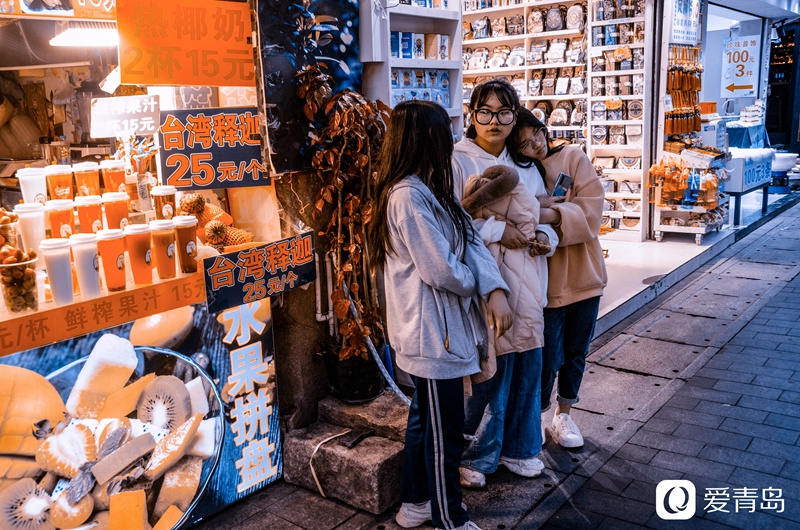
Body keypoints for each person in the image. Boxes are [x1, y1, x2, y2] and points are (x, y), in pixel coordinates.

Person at [368, 100, 513, 530]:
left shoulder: (431, 186)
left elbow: (467, 236)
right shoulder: (408, 196)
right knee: (443, 431)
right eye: (443, 133)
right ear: (424, 139)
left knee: (425, 423)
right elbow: (441, 269)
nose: (451, 140)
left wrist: (492, 286)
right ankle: (451, 517)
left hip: (441, 330)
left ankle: (414, 503)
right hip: (432, 334)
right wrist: (476, 283)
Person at [452, 78, 557, 489]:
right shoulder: (458, 160)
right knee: (489, 368)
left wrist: (548, 238)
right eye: (485, 112)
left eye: (504, 113)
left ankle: (521, 446)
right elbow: (453, 223)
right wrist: (498, 230)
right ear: (472, 115)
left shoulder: (527, 165)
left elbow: (543, 216)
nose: (494, 122)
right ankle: (478, 454)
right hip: (487, 281)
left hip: (529, 278)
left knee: (528, 362)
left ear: (516, 117)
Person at [509, 108, 607, 448]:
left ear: (543, 127)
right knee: (547, 357)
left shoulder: (572, 156)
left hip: (584, 272)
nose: (533, 144)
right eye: (522, 144)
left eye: (535, 134)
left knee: (576, 352)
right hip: (547, 281)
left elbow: (593, 213)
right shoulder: (520, 170)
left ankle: (564, 415)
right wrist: (553, 211)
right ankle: (536, 418)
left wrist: (543, 211)